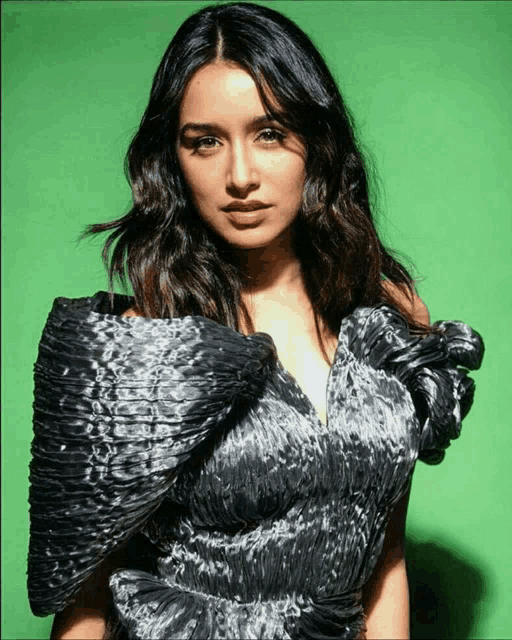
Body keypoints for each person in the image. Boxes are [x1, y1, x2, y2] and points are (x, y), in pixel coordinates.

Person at [27, 2, 484, 639]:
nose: (240, 176)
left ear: (316, 144)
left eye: (270, 133)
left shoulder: (385, 327)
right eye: (205, 142)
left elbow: (386, 560)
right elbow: (85, 598)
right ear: (174, 161)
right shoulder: (138, 343)